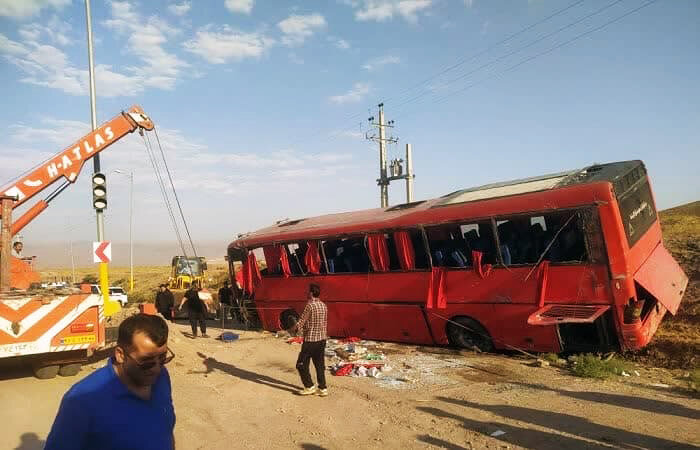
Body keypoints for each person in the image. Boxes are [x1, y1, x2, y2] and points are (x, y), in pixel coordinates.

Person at [45, 314, 176, 450]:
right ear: (120, 355)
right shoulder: (81, 400)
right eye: (146, 362)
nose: (156, 369)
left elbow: (165, 430)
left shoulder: (161, 377)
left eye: (162, 357)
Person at [292, 283, 328, 397]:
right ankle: (322, 388)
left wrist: (295, 329)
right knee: (319, 365)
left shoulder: (310, 306)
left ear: (311, 293)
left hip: (311, 340)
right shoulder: (323, 305)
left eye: (308, 291)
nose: (306, 293)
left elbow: (301, 321)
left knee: (301, 364)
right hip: (322, 339)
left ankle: (309, 386)